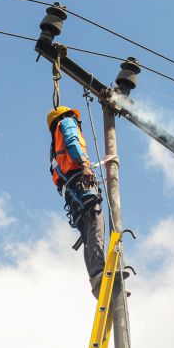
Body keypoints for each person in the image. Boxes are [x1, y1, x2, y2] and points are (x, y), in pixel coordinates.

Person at [47, 106, 107, 297]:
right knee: (96, 223)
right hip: (81, 184)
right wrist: (85, 166)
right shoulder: (67, 123)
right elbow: (73, 142)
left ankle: (95, 279)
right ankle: (99, 272)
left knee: (88, 232)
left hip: (72, 194)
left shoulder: (53, 147)